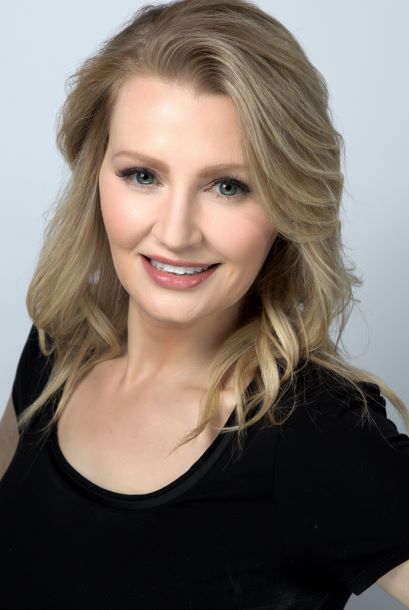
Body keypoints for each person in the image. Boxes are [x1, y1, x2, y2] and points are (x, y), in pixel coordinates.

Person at [1, 0, 408, 608]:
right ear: (95, 178)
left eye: (228, 186)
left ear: (289, 205)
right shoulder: (56, 350)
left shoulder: (316, 434)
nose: (176, 232)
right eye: (143, 175)